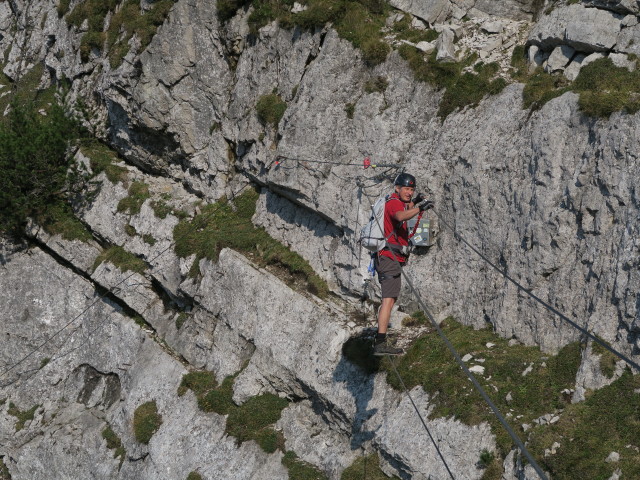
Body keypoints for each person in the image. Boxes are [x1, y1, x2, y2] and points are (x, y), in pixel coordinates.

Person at [373, 173, 433, 356]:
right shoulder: (393, 203)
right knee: (388, 301)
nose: (409, 192)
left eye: (411, 189)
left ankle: (380, 340)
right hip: (389, 258)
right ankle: (380, 342)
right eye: (406, 189)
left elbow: (405, 208)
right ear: (397, 188)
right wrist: (420, 207)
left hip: (392, 258)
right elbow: (400, 216)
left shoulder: (396, 201)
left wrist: (415, 202)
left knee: (390, 300)